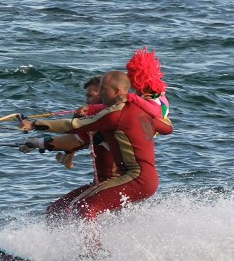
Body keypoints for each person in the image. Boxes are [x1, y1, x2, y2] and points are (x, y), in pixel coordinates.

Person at [19, 70, 173, 223]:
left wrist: (34, 125)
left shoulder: (114, 115)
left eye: (103, 90)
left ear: (117, 91)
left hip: (135, 178)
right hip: (139, 179)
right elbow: (167, 128)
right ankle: (58, 246)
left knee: (85, 208)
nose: (100, 93)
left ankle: (93, 249)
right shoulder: (139, 111)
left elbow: (74, 128)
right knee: (57, 210)